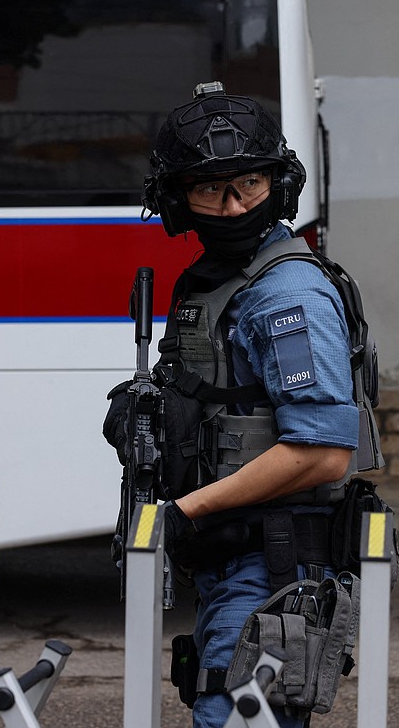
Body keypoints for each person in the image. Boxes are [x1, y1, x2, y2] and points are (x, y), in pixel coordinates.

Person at [105, 82, 381, 726]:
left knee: (231, 715)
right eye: (209, 189)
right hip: (236, 561)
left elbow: (321, 453)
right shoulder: (221, 281)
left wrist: (181, 513)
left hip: (273, 565)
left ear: (278, 186)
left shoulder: (286, 294)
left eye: (249, 184)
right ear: (178, 200)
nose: (231, 207)